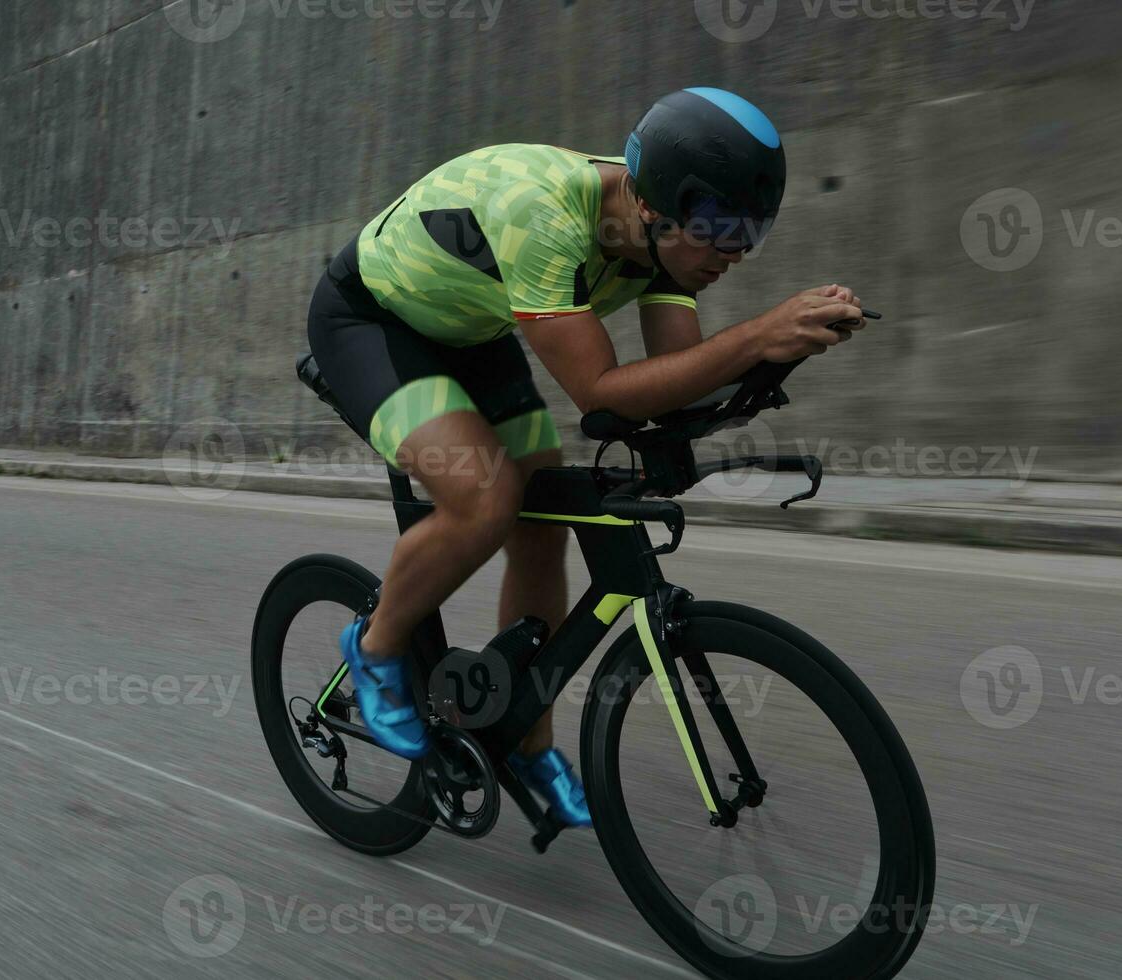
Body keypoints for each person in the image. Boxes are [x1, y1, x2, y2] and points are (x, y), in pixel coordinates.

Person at [305, 87, 868, 829]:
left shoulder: (668, 242)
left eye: (751, 231)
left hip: (473, 334)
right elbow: (601, 393)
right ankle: (375, 644)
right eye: (722, 228)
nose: (735, 252)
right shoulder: (544, 215)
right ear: (654, 208)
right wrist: (758, 334)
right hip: (372, 322)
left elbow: (674, 381)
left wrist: (780, 356)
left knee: (543, 524)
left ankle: (522, 741)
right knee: (485, 499)